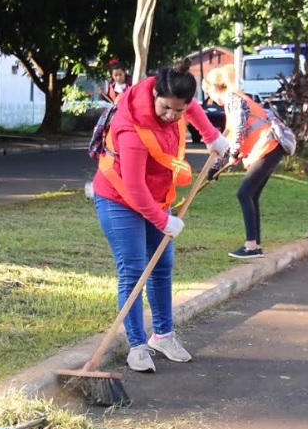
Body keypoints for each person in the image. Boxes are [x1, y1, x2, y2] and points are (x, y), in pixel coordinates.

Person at [91, 59, 228, 373]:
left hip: (154, 194)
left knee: (162, 265)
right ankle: (137, 345)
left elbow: (190, 108)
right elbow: (134, 187)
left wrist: (211, 135)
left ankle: (163, 335)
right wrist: (163, 220)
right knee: (135, 269)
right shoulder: (132, 128)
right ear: (154, 94)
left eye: (178, 111)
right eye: (166, 108)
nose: (172, 116)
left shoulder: (177, 100)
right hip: (119, 197)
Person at [202, 65, 288, 259]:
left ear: (215, 89)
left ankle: (251, 246)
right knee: (251, 195)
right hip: (269, 149)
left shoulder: (233, 98)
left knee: (244, 194)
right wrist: (216, 168)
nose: (210, 98)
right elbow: (231, 138)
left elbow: (240, 126)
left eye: (208, 92)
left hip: (267, 148)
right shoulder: (236, 98)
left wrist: (233, 154)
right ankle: (254, 245)